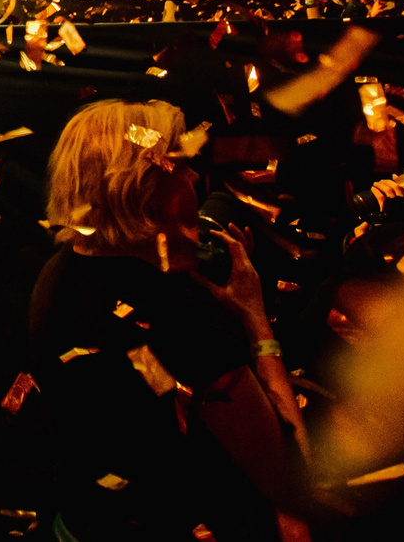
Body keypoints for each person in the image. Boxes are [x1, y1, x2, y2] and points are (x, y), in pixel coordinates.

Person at [24, 99, 301, 542]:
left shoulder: (57, 272)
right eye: (182, 167)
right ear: (148, 191)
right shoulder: (178, 315)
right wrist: (255, 318)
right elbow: (284, 470)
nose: (193, 179)